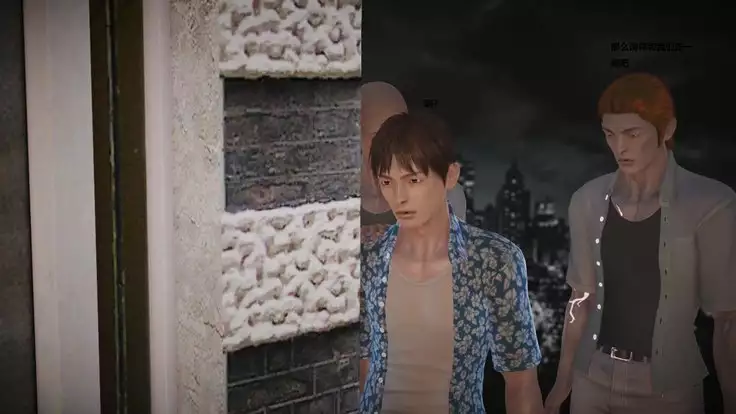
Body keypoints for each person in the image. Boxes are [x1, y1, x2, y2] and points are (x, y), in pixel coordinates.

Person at [544, 73, 736, 414]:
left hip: (669, 389)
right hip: (593, 378)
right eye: (610, 134)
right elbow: (581, 298)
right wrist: (563, 381)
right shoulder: (587, 199)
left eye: (633, 134)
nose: (620, 147)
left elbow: (727, 319)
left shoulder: (710, 203)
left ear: (667, 130)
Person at [359, 111, 543, 413]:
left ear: (451, 175)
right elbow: (365, 363)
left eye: (413, 180)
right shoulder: (371, 259)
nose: (399, 197)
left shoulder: (494, 260)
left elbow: (521, 381)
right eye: (387, 182)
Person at [360, 81, 467, 245]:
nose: (391, 144)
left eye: (400, 132)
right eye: (378, 135)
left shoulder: (446, 192)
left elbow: (450, 250)